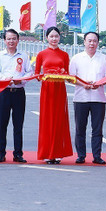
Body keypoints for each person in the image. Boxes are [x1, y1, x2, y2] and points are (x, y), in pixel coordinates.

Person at [68, 31, 106, 165]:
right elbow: (71, 78)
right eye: (89, 40)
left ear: (98, 43)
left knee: (97, 129)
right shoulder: (76, 58)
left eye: (94, 41)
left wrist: (99, 84)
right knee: (80, 128)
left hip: (99, 98)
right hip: (81, 98)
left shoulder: (104, 58)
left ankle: (97, 155)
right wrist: (83, 84)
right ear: (84, 42)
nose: (92, 43)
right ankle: (81, 155)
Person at [0, 28, 33, 163]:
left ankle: (18, 153)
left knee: (18, 124)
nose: (11, 41)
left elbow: (29, 72)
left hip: (18, 93)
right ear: (4, 40)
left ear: (18, 40)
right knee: (2, 124)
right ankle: (1, 153)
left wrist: (21, 80)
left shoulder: (24, 56)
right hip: (4, 92)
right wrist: (6, 79)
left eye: (14, 39)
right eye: (8, 39)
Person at [35, 26, 73, 164]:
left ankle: (57, 153)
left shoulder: (64, 55)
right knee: (47, 121)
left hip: (60, 90)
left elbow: (67, 74)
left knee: (59, 121)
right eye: (51, 36)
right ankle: (47, 153)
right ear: (47, 38)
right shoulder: (41, 54)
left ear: (59, 38)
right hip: (47, 90)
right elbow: (36, 75)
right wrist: (45, 77)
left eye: (56, 36)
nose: (54, 39)